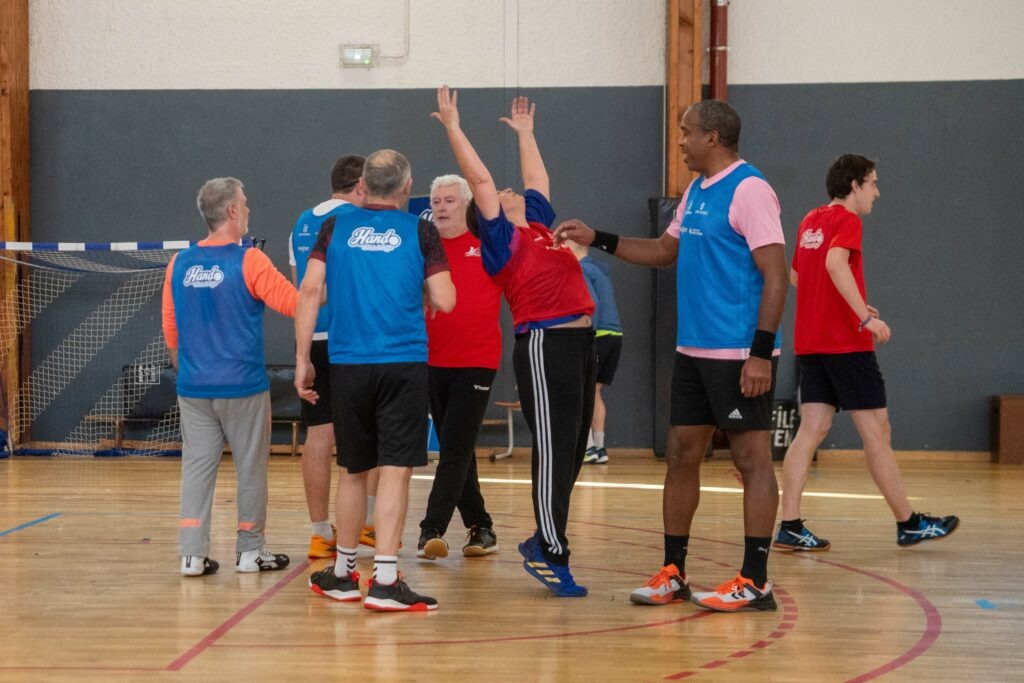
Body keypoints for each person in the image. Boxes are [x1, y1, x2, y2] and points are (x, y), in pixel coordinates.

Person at [554, 99, 788, 612]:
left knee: (751, 461)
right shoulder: (697, 192)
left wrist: (760, 353)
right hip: (694, 350)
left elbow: (776, 274)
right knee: (682, 454)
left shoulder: (750, 190)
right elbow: (664, 251)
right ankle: (674, 572)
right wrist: (599, 239)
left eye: (686, 132)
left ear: (712, 138)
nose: (680, 140)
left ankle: (756, 581)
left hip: (738, 352)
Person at [432, 86, 595, 597]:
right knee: (552, 448)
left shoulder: (540, 226)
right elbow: (480, 179)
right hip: (544, 345)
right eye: (501, 194)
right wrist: (454, 127)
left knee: (573, 449)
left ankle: (546, 537)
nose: (508, 189)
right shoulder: (502, 241)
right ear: (491, 214)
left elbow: (537, 180)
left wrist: (527, 134)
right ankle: (551, 549)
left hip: (581, 343)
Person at [775, 154, 959, 551]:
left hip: (811, 343)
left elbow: (798, 276)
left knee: (811, 430)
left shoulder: (811, 220)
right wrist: (861, 318)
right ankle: (909, 523)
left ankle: (789, 524)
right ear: (854, 185)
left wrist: (850, 303)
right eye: (873, 183)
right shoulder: (847, 221)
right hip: (845, 345)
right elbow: (834, 263)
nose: (877, 192)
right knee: (877, 431)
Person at [298, 149, 455, 612]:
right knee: (395, 471)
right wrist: (419, 284)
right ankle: (385, 579)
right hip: (403, 363)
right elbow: (445, 299)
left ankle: (343, 574)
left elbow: (309, 290)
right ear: (407, 187)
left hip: (347, 364)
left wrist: (303, 357)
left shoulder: (333, 227)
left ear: (363, 186)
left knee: (353, 470)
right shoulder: (421, 230)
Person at [164, 177, 296, 577]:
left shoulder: (179, 262)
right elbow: (293, 303)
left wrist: (190, 373)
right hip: (243, 386)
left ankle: (191, 555)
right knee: (250, 469)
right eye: (246, 203)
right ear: (233, 211)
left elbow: (171, 330)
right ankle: (250, 551)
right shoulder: (250, 260)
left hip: (193, 387)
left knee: (196, 469)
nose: (249, 209)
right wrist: (331, 290)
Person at [289, 154, 379, 559]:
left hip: (314, 337)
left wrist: (302, 352)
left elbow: (303, 291)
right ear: (362, 184)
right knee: (369, 433)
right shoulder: (360, 221)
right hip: (353, 339)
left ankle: (319, 532)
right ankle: (367, 525)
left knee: (319, 434)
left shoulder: (301, 222)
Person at [416, 174, 502, 560]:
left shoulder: (487, 246)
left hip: (477, 361)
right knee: (459, 446)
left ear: (466, 205)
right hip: (433, 360)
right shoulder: (424, 250)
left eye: (449, 200)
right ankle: (481, 525)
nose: (441, 207)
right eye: (436, 201)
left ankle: (430, 529)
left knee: (452, 448)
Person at [567, 240, 623, 465]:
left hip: (598, 335)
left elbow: (592, 304)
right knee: (594, 391)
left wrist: (587, 336)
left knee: (581, 391)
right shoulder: (599, 270)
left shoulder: (581, 270)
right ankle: (599, 448)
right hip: (614, 336)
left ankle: (587, 447)